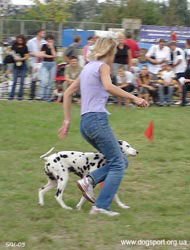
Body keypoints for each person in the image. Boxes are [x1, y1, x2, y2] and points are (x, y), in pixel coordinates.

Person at [58, 37, 148, 216]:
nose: (114, 57)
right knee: (118, 164)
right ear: (108, 52)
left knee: (121, 161)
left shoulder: (87, 68)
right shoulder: (103, 66)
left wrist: (67, 120)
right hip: (97, 121)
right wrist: (134, 98)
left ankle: (89, 181)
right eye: (114, 53)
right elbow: (108, 86)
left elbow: (67, 93)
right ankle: (100, 206)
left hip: (85, 124)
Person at [27, 29, 47, 100]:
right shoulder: (31, 42)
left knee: (42, 79)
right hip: (33, 62)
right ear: (38, 33)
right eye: (43, 33)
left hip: (42, 62)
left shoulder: (44, 42)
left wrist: (42, 55)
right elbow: (28, 52)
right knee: (34, 79)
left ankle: (40, 95)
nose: (44, 34)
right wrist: (36, 55)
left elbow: (45, 52)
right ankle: (31, 96)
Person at [36, 34, 57, 101]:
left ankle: (47, 96)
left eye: (51, 40)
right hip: (45, 63)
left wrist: (52, 48)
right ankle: (40, 96)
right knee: (44, 80)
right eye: (48, 40)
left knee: (50, 81)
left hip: (52, 64)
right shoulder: (44, 46)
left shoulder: (54, 47)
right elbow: (42, 54)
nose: (50, 41)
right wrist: (51, 56)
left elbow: (55, 55)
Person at [9, 35, 29, 100]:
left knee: (22, 81)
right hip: (15, 65)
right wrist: (13, 57)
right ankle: (11, 96)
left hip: (23, 65)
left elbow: (27, 56)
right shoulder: (14, 46)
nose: (20, 41)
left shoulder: (25, 47)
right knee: (14, 81)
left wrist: (20, 59)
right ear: (17, 40)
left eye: (21, 40)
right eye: (19, 40)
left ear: (23, 40)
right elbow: (9, 52)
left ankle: (20, 96)